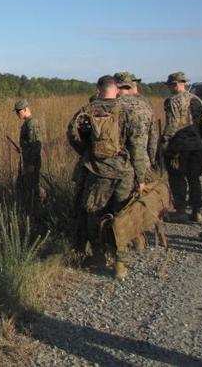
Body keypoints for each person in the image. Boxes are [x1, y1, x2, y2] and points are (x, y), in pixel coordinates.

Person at [67, 75, 146, 280]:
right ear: (117, 89)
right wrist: (141, 177)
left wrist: (87, 153)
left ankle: (99, 256)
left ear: (98, 89)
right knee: (122, 215)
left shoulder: (87, 111)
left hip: (97, 171)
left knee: (94, 213)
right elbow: (137, 147)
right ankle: (120, 263)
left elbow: (72, 134)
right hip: (124, 172)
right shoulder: (128, 111)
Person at [161, 72, 202, 223]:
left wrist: (165, 143)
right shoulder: (197, 100)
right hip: (197, 145)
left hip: (179, 146)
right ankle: (197, 211)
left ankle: (180, 211)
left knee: (177, 177)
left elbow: (172, 125)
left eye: (170, 85)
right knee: (194, 178)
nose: (170, 88)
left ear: (176, 84)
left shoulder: (172, 101)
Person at [114, 72, 159, 172]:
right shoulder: (145, 104)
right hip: (143, 161)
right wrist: (152, 159)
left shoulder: (113, 105)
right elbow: (153, 136)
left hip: (120, 162)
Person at [13, 99, 45, 205]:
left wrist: (31, 163)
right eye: (16, 112)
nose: (17, 114)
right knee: (26, 184)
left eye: (19, 111)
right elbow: (29, 144)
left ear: (26, 109)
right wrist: (22, 149)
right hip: (27, 159)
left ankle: (41, 204)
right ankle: (32, 204)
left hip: (32, 161)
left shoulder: (32, 123)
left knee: (33, 185)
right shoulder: (27, 123)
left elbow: (36, 145)